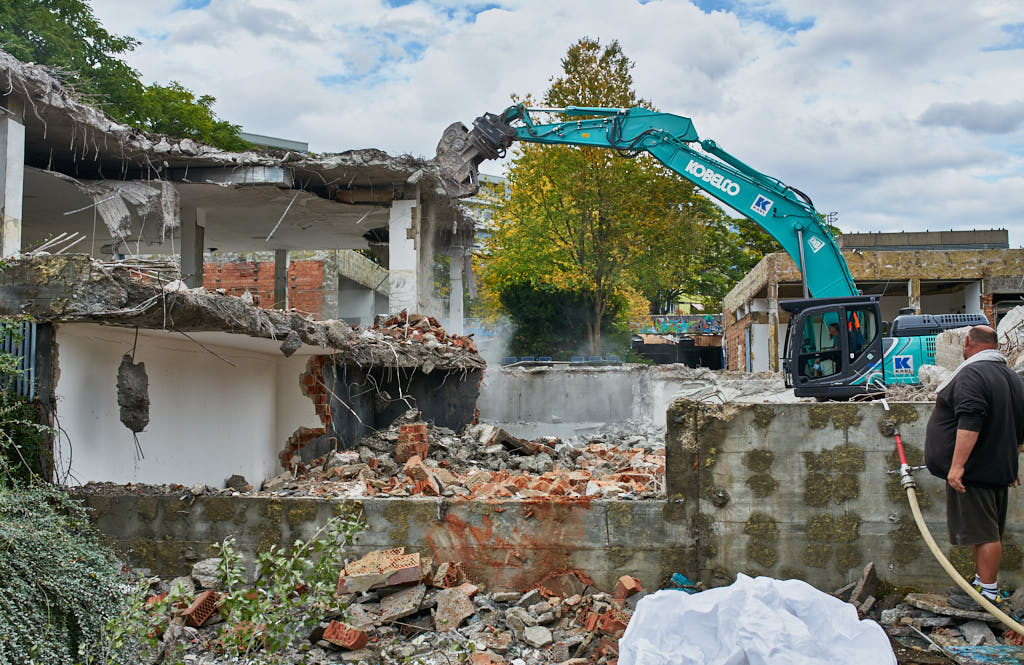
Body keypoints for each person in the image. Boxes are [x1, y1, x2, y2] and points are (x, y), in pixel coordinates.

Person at [924, 325, 1024, 609]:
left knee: (985, 534)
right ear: (996, 345)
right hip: (995, 469)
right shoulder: (1011, 377)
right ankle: (982, 585)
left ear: (967, 343)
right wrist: (1011, 462)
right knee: (986, 531)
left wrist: (957, 467)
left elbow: (970, 421)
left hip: (974, 472)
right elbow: (1018, 427)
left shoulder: (973, 374)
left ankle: (987, 595)